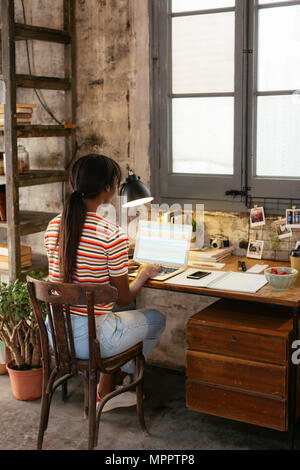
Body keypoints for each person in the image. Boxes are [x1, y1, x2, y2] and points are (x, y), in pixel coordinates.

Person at [44, 154, 166, 411]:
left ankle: (110, 386)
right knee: (156, 318)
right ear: (108, 189)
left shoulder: (54, 226)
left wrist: (118, 267)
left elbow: (70, 272)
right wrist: (143, 274)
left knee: (122, 314)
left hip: (56, 337)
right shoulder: (112, 234)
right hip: (92, 341)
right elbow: (123, 298)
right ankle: (115, 384)